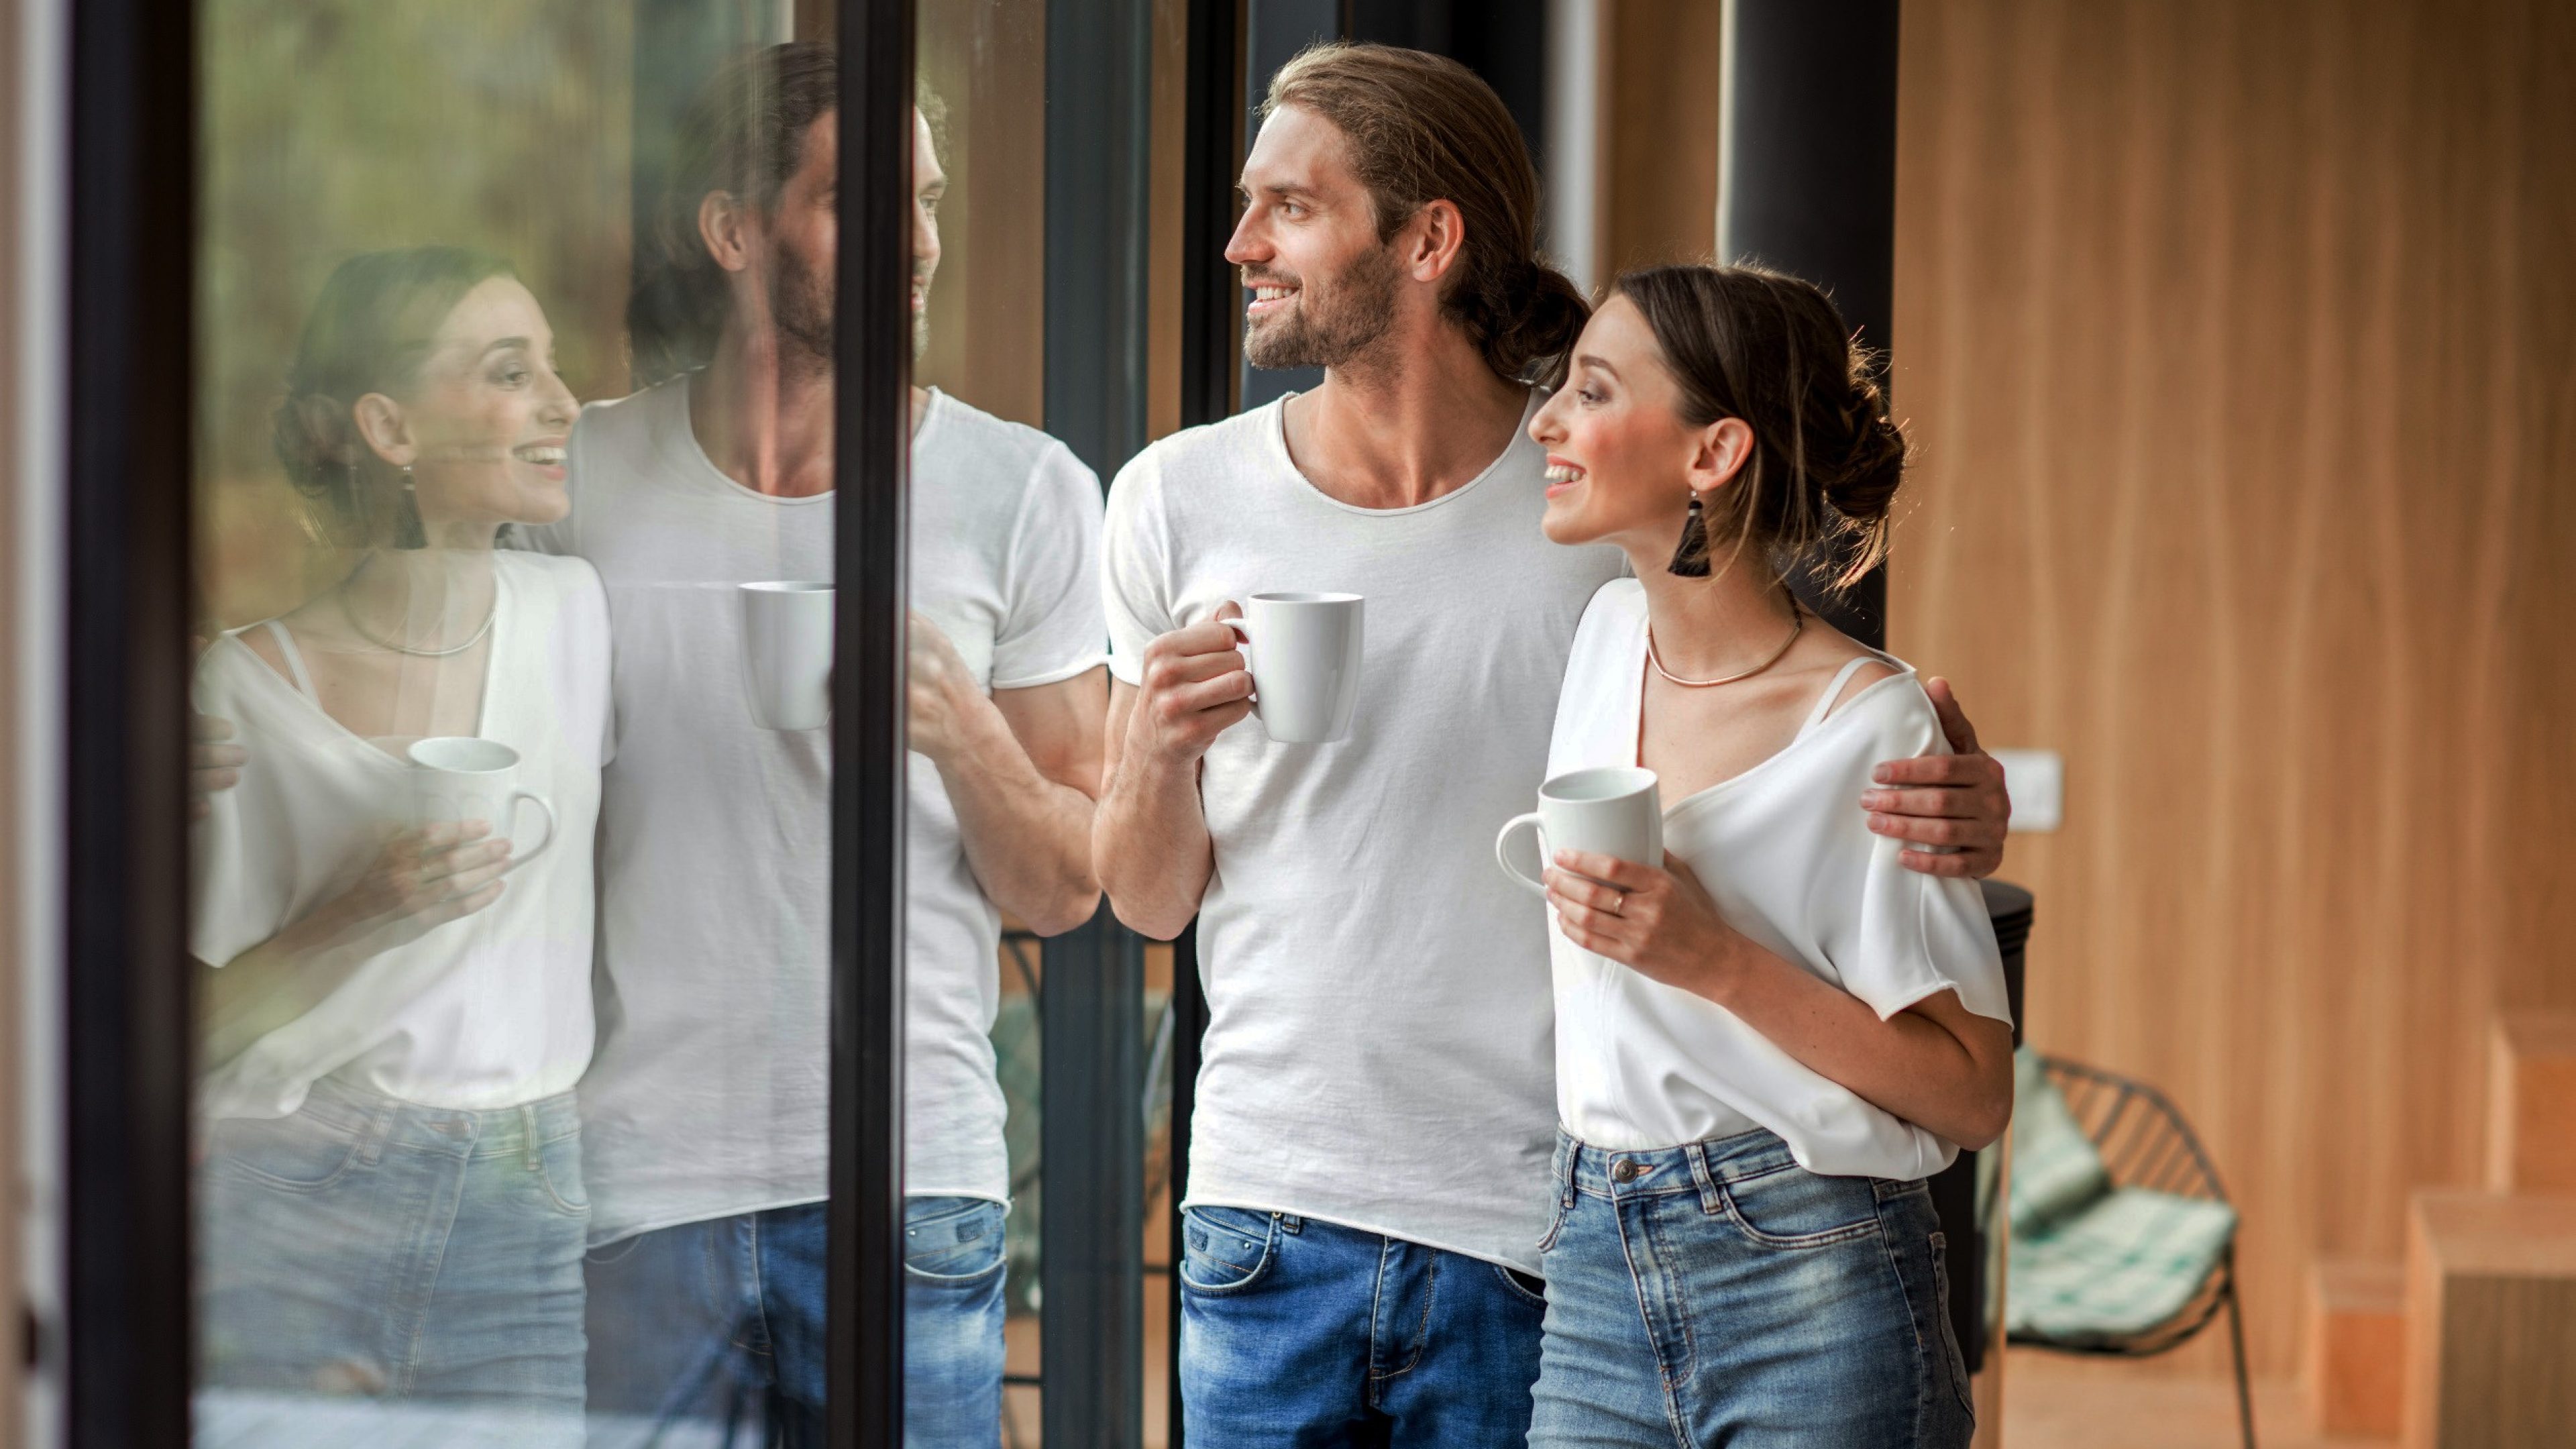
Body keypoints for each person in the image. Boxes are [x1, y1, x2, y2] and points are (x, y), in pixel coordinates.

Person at [1093, 43, 2011, 1444]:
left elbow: (1785, 711)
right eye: (1244, 201)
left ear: (1426, 240)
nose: (1239, 243)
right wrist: (1155, 751)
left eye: (1289, 204)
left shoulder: (1591, 525)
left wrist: (1951, 802)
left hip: (1537, 1228)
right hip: (1268, 1213)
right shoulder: (1176, 500)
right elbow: (1148, 900)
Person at [541, 44, 1107, 1446]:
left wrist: (956, 727)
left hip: (909, 1188)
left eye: (926, 199)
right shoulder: (581, 485)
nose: (919, 243)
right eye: (864, 203)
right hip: (638, 1187)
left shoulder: (1019, 493)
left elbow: (1065, 886)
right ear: (736, 232)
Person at [1519, 263, 2012, 1446]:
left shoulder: (1871, 724)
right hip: (1592, 1260)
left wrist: (1711, 957)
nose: (1548, 420)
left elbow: (1973, 1090)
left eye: (1592, 391)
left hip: (1810, 1271)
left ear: (1713, 453)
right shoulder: (1601, 636)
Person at [189, 246, 606, 1438]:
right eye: (509, 372)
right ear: (389, 427)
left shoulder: (578, 617)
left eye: (552, 369)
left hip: (528, 1184)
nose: (564, 404)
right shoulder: (246, 693)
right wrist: (364, 911)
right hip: (298, 1178)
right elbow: (193, 1031)